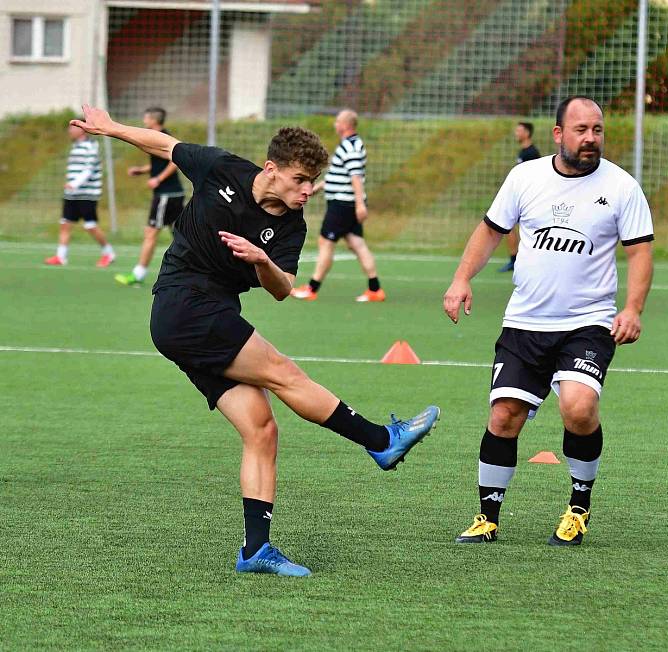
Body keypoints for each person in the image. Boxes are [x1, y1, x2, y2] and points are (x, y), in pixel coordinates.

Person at [71, 104, 440, 577]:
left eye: (313, 182)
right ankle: (380, 440)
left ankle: (256, 550)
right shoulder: (221, 168)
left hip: (213, 313)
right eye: (300, 179)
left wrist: (262, 260)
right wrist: (108, 128)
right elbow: (164, 144)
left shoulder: (291, 225)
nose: (308, 190)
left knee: (261, 428)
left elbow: (285, 288)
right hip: (183, 302)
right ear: (272, 170)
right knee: (284, 373)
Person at [443, 96, 653, 547]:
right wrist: (462, 278)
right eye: (581, 130)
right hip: (525, 322)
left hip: (588, 323)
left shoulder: (621, 187)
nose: (590, 138)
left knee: (578, 407)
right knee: (504, 416)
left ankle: (579, 507)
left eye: (597, 129)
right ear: (558, 134)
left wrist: (632, 308)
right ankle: (487, 517)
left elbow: (640, 252)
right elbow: (490, 230)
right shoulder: (525, 177)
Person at [290, 109, 384, 302]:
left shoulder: (350, 147)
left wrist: (360, 204)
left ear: (345, 125)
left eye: (337, 121)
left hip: (343, 204)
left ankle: (312, 288)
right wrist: (319, 187)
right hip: (345, 202)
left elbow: (355, 177)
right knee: (356, 243)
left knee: (326, 242)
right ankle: (375, 289)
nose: (335, 124)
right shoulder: (349, 145)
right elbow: (339, 174)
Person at [115, 107, 184, 287]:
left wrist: (158, 179)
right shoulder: (157, 136)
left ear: (154, 120)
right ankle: (198, 270)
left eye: (146, 117)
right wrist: (143, 170)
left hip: (166, 195)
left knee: (151, 233)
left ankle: (138, 274)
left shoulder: (164, 137)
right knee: (181, 235)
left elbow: (175, 160)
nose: (144, 119)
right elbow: (161, 162)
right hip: (171, 194)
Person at [44, 120, 115, 267]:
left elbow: (88, 170)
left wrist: (74, 184)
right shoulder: (75, 147)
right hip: (71, 195)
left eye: (72, 128)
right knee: (65, 224)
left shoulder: (91, 147)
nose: (69, 131)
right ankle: (61, 256)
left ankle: (108, 253)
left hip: (87, 194)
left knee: (90, 226)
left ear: (82, 129)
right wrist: (70, 187)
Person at [497, 121, 541, 273]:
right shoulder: (523, 152)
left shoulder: (531, 153)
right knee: (508, 226)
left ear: (527, 133)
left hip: (529, 197)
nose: (516, 133)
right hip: (521, 196)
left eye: (519, 130)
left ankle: (517, 260)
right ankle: (515, 260)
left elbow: (536, 176)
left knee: (510, 226)